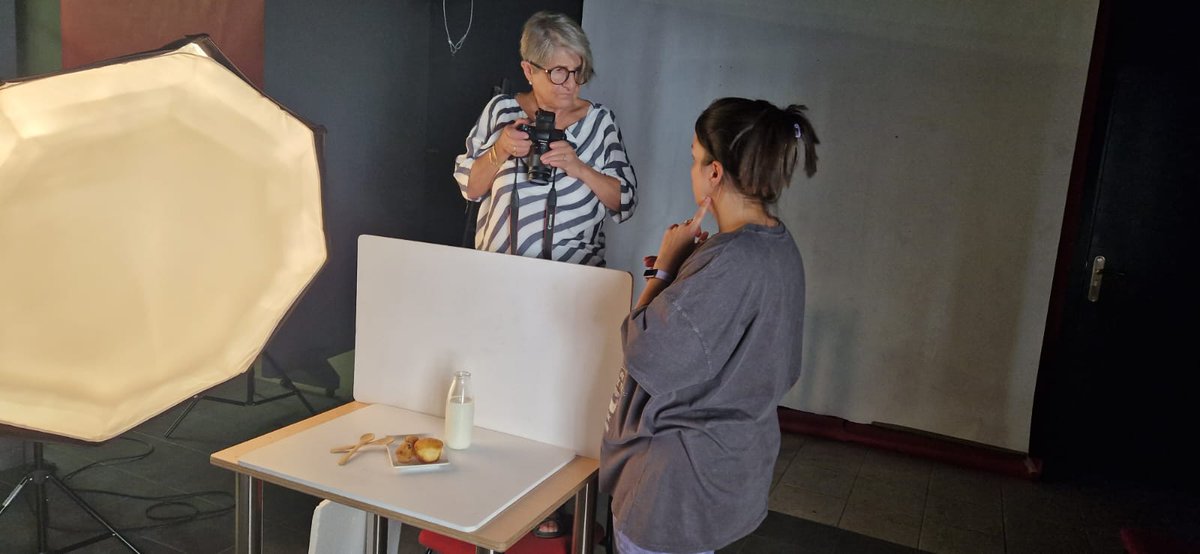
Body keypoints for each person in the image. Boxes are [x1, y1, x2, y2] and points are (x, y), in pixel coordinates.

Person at [600, 97, 820, 553]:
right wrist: (683, 269)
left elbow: (646, 353)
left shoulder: (732, 259)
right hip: (728, 464)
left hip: (678, 481)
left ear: (714, 172)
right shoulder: (778, 245)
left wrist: (663, 270)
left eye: (693, 158)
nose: (692, 170)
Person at [453, 10, 637, 267]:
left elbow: (626, 202)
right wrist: (501, 148)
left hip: (575, 280)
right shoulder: (502, 111)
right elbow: (470, 189)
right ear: (529, 70)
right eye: (559, 72)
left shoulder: (600, 121)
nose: (571, 84)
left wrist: (580, 168)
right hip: (498, 273)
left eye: (578, 71)